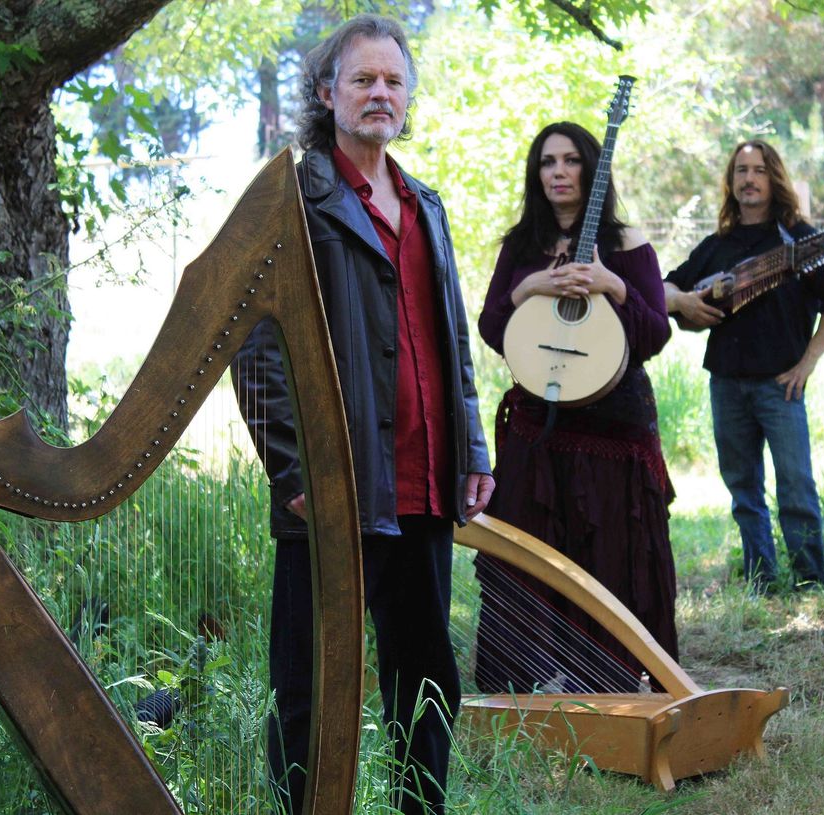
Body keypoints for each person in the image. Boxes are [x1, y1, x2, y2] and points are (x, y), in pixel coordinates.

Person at [230, 15, 493, 815]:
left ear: (407, 97)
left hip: (423, 485)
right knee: (309, 687)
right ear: (325, 93)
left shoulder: (427, 204)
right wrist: (295, 470)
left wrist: (473, 450)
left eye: (393, 81)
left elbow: (451, 336)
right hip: (336, 490)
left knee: (427, 680)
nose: (380, 94)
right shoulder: (292, 200)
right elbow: (254, 346)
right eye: (362, 80)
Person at [474, 121, 678, 695]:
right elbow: (493, 325)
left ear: (591, 168)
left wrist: (613, 285)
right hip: (539, 425)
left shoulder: (629, 245)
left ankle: (609, 677)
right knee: (524, 551)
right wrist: (531, 287)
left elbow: (654, 334)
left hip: (613, 427)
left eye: (569, 161)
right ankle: (521, 680)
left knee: (610, 552)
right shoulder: (521, 246)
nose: (558, 172)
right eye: (547, 162)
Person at [664, 140, 824, 595]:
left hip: (780, 385)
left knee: (796, 489)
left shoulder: (800, 242)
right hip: (726, 383)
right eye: (741, 170)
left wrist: (808, 362)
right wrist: (687, 304)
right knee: (743, 491)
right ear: (731, 182)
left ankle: (810, 584)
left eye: (759, 170)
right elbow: (665, 288)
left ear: (775, 179)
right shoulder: (716, 247)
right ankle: (760, 581)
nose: (749, 179)